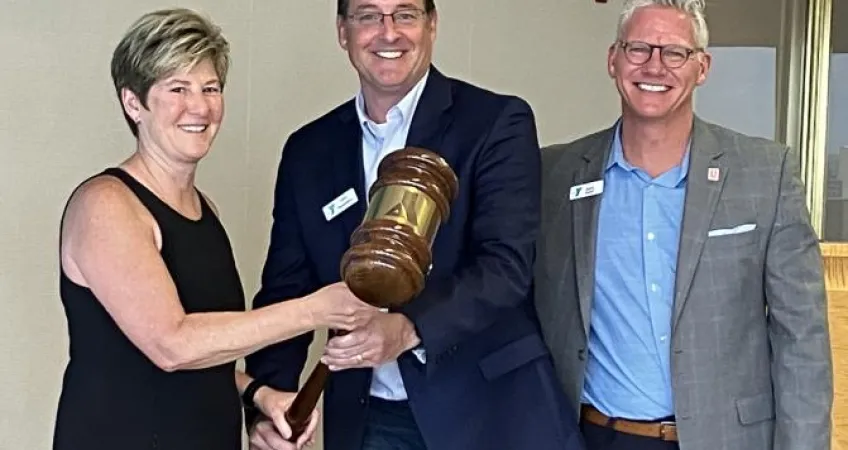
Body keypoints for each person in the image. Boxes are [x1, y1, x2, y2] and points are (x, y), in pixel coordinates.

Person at [244, 0, 585, 449]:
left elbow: (505, 268)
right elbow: (288, 290)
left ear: (431, 26)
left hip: (490, 413)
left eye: (405, 14)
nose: (389, 33)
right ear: (343, 32)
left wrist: (407, 328)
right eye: (368, 16)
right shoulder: (309, 150)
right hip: (371, 422)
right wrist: (269, 400)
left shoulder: (495, 122)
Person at [52, 8, 374, 450]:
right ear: (134, 103)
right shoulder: (106, 205)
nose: (200, 106)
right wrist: (315, 309)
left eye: (210, 88)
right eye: (177, 89)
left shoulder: (205, 210)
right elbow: (173, 345)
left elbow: (206, 355)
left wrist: (258, 394)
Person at [534, 1, 833, 450]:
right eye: (638, 49)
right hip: (591, 436)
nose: (655, 65)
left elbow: (802, 340)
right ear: (613, 59)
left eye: (675, 52)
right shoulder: (555, 175)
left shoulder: (764, 174)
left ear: (702, 67)